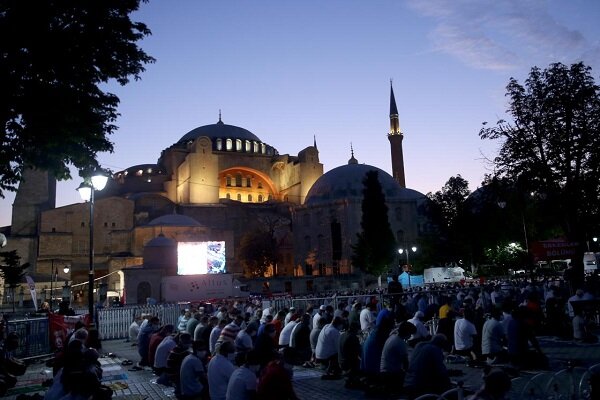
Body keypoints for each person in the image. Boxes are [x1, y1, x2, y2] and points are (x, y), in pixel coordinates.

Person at [403, 334, 452, 399]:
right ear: (442, 344)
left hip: (408, 382)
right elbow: (441, 372)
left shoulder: (419, 345)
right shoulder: (435, 349)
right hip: (420, 386)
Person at [381, 321, 416, 393]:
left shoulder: (392, 337)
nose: (410, 336)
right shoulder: (400, 343)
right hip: (390, 375)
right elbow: (406, 364)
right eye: (410, 334)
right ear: (407, 333)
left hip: (384, 371)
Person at [166, 333, 192, 397]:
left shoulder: (177, 348)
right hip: (175, 375)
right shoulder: (181, 352)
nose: (189, 343)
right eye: (188, 341)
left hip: (171, 373)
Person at [338, 321, 362, 388]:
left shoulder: (342, 335)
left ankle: (351, 377)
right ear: (355, 329)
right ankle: (353, 378)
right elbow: (359, 352)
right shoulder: (353, 337)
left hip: (340, 361)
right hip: (347, 363)